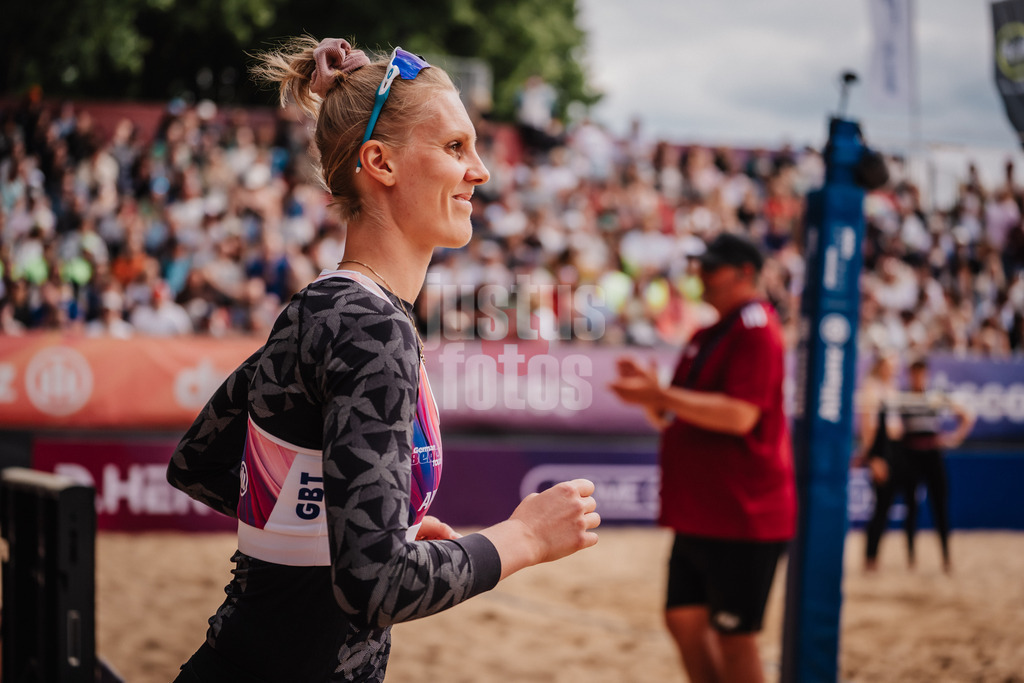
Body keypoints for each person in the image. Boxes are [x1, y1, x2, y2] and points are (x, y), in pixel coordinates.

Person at [166, 36, 599, 682]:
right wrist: (523, 538)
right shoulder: (371, 327)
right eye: (456, 147)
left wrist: (354, 525)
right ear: (380, 162)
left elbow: (199, 463)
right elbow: (375, 587)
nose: (481, 171)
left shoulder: (324, 306)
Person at [609, 232, 796, 683]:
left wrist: (660, 395)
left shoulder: (756, 327)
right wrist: (653, 396)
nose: (700, 275)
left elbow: (740, 416)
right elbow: (674, 415)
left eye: (710, 268)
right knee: (684, 620)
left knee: (735, 638)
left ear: (745, 273)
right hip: (705, 509)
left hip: (743, 512)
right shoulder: (710, 331)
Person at [898, 358, 974, 572]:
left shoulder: (935, 397)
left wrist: (954, 438)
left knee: (940, 506)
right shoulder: (904, 398)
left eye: (921, 374)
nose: (918, 379)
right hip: (910, 455)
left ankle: (946, 557)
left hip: (932, 455)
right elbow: (894, 426)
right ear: (910, 375)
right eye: (915, 374)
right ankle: (911, 558)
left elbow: (967, 416)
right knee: (911, 507)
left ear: (927, 375)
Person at [856, 351, 906, 572]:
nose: (893, 368)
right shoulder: (872, 387)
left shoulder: (893, 387)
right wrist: (873, 458)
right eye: (889, 364)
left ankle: (875, 557)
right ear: (881, 365)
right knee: (880, 507)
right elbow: (867, 427)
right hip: (881, 449)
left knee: (886, 507)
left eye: (895, 365)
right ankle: (870, 557)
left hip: (896, 449)